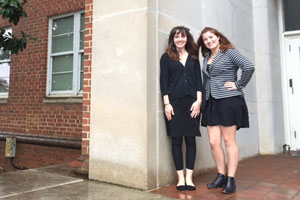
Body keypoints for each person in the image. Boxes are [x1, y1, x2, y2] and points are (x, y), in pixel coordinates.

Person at [197, 27, 254, 194]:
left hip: (229, 100)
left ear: (218, 37)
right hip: (211, 101)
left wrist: (238, 84)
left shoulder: (229, 52)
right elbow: (207, 80)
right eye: (205, 39)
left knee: (229, 141)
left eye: (211, 37)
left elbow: (248, 67)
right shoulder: (206, 57)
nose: (209, 41)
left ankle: (231, 179)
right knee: (214, 142)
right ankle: (221, 175)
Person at [160, 26, 202, 191]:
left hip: (192, 104)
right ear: (173, 39)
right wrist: (166, 104)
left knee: (190, 139)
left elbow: (198, 81)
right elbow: (164, 82)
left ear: (187, 38)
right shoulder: (166, 57)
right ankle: (180, 178)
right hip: (174, 104)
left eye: (182, 36)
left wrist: (199, 101)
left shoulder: (193, 57)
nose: (179, 39)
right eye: (176, 37)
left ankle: (189, 178)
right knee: (176, 140)